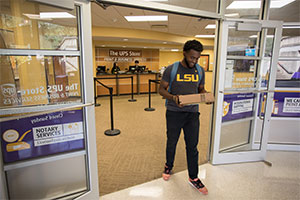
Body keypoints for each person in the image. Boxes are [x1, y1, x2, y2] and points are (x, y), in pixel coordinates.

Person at [159, 40, 208, 195]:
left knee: (192, 145)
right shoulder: (172, 69)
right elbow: (161, 90)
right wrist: (173, 98)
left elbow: (201, 89)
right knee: (172, 141)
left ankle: (193, 177)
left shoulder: (200, 70)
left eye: (197, 58)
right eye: (192, 57)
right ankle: (168, 166)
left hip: (193, 112)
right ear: (184, 53)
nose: (194, 61)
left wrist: (206, 96)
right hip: (174, 112)